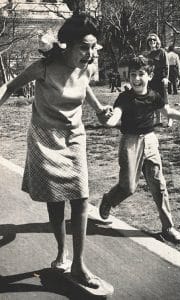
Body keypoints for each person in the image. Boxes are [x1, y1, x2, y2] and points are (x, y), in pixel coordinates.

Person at [0, 14, 112, 288]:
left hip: (74, 137)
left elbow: (84, 86)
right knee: (56, 199)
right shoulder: (44, 67)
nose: (89, 53)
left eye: (93, 46)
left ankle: (79, 264)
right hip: (44, 137)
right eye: (84, 47)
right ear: (68, 45)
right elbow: (9, 87)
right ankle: (62, 252)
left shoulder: (89, 65)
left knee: (82, 198)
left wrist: (99, 110)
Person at [99, 55, 180, 244]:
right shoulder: (124, 97)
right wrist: (108, 119)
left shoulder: (154, 96)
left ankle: (168, 228)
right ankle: (109, 200)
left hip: (150, 140)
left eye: (141, 74)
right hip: (130, 142)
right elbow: (116, 116)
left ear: (149, 75)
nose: (136, 79)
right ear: (128, 77)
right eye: (133, 75)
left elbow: (168, 112)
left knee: (158, 185)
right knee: (129, 187)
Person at [146, 33, 169, 126]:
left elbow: (166, 65)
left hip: (161, 79)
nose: (152, 41)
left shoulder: (162, 52)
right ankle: (158, 120)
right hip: (151, 80)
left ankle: (169, 118)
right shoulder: (148, 54)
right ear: (148, 42)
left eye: (154, 40)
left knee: (163, 100)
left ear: (157, 41)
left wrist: (165, 77)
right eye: (150, 40)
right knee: (153, 100)